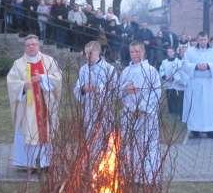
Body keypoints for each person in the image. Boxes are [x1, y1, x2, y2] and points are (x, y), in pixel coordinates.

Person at [7, 35, 62, 170]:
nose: (31, 47)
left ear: (38, 46)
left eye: (33, 44)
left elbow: (58, 78)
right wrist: (23, 86)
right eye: (28, 45)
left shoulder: (49, 61)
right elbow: (11, 83)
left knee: (47, 131)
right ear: (24, 47)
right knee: (28, 131)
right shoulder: (18, 64)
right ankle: (27, 163)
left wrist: (43, 78)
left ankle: (45, 163)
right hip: (27, 106)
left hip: (46, 103)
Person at [119, 41, 161, 182]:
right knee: (130, 146)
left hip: (145, 115)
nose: (135, 54)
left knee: (146, 146)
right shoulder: (126, 71)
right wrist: (125, 89)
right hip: (129, 114)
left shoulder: (151, 71)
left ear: (143, 52)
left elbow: (156, 93)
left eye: (137, 51)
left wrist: (142, 108)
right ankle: (130, 176)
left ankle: (146, 177)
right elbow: (117, 92)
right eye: (132, 52)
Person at [182, 32, 213, 139]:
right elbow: (184, 64)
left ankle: (211, 131)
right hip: (196, 83)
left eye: (204, 39)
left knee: (210, 107)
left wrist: (209, 66)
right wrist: (195, 66)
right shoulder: (190, 51)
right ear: (197, 40)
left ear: (208, 39)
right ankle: (195, 130)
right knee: (196, 107)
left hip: (209, 83)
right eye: (201, 40)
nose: (203, 42)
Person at [73, 41, 116, 134]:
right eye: (86, 53)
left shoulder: (109, 69)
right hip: (88, 109)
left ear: (98, 52)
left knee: (103, 137)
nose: (87, 56)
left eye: (90, 53)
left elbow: (114, 89)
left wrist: (97, 89)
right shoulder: (83, 69)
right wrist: (83, 88)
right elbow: (77, 88)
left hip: (104, 109)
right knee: (89, 138)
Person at [159, 47, 184, 120]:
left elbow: (180, 72)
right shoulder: (164, 62)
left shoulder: (178, 62)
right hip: (168, 84)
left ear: (174, 52)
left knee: (177, 99)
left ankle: (178, 113)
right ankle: (171, 113)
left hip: (176, 84)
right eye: (168, 52)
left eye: (171, 52)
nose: (169, 53)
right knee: (170, 99)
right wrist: (164, 77)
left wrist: (174, 78)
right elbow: (161, 70)